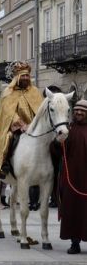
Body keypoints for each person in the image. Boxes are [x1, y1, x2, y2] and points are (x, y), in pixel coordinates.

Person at [0, 61, 43, 179]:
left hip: (34, 126)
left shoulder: (35, 91)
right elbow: (9, 112)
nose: (26, 78)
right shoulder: (8, 91)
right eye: (23, 75)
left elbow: (41, 110)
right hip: (15, 127)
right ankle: (3, 164)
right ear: (17, 77)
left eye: (27, 75)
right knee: (8, 137)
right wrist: (22, 124)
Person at [59, 99, 87, 255]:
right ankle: (74, 243)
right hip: (72, 179)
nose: (79, 113)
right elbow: (57, 152)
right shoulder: (68, 129)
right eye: (77, 110)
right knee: (73, 210)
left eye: (82, 110)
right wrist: (58, 142)